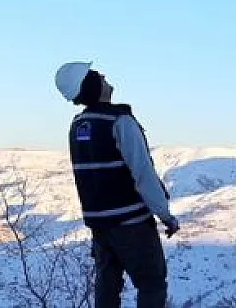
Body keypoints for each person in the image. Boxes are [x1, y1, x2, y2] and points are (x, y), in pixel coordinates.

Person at [54, 61, 180, 308]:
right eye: (96, 75)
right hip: (131, 223)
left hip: (100, 226)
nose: (103, 75)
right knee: (152, 284)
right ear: (90, 85)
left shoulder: (78, 125)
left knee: (107, 287)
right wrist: (165, 214)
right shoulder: (119, 121)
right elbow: (143, 174)